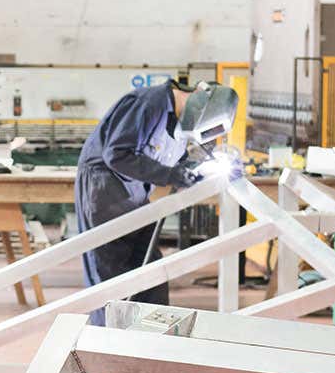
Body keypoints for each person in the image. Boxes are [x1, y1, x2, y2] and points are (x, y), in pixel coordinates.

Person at [74, 80, 239, 326]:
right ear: (198, 97)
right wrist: (172, 175)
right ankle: (109, 345)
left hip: (135, 196)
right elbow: (117, 154)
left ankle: (149, 340)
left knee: (150, 271)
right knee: (111, 278)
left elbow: (175, 162)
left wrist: (198, 170)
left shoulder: (179, 126)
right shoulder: (150, 103)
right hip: (105, 191)